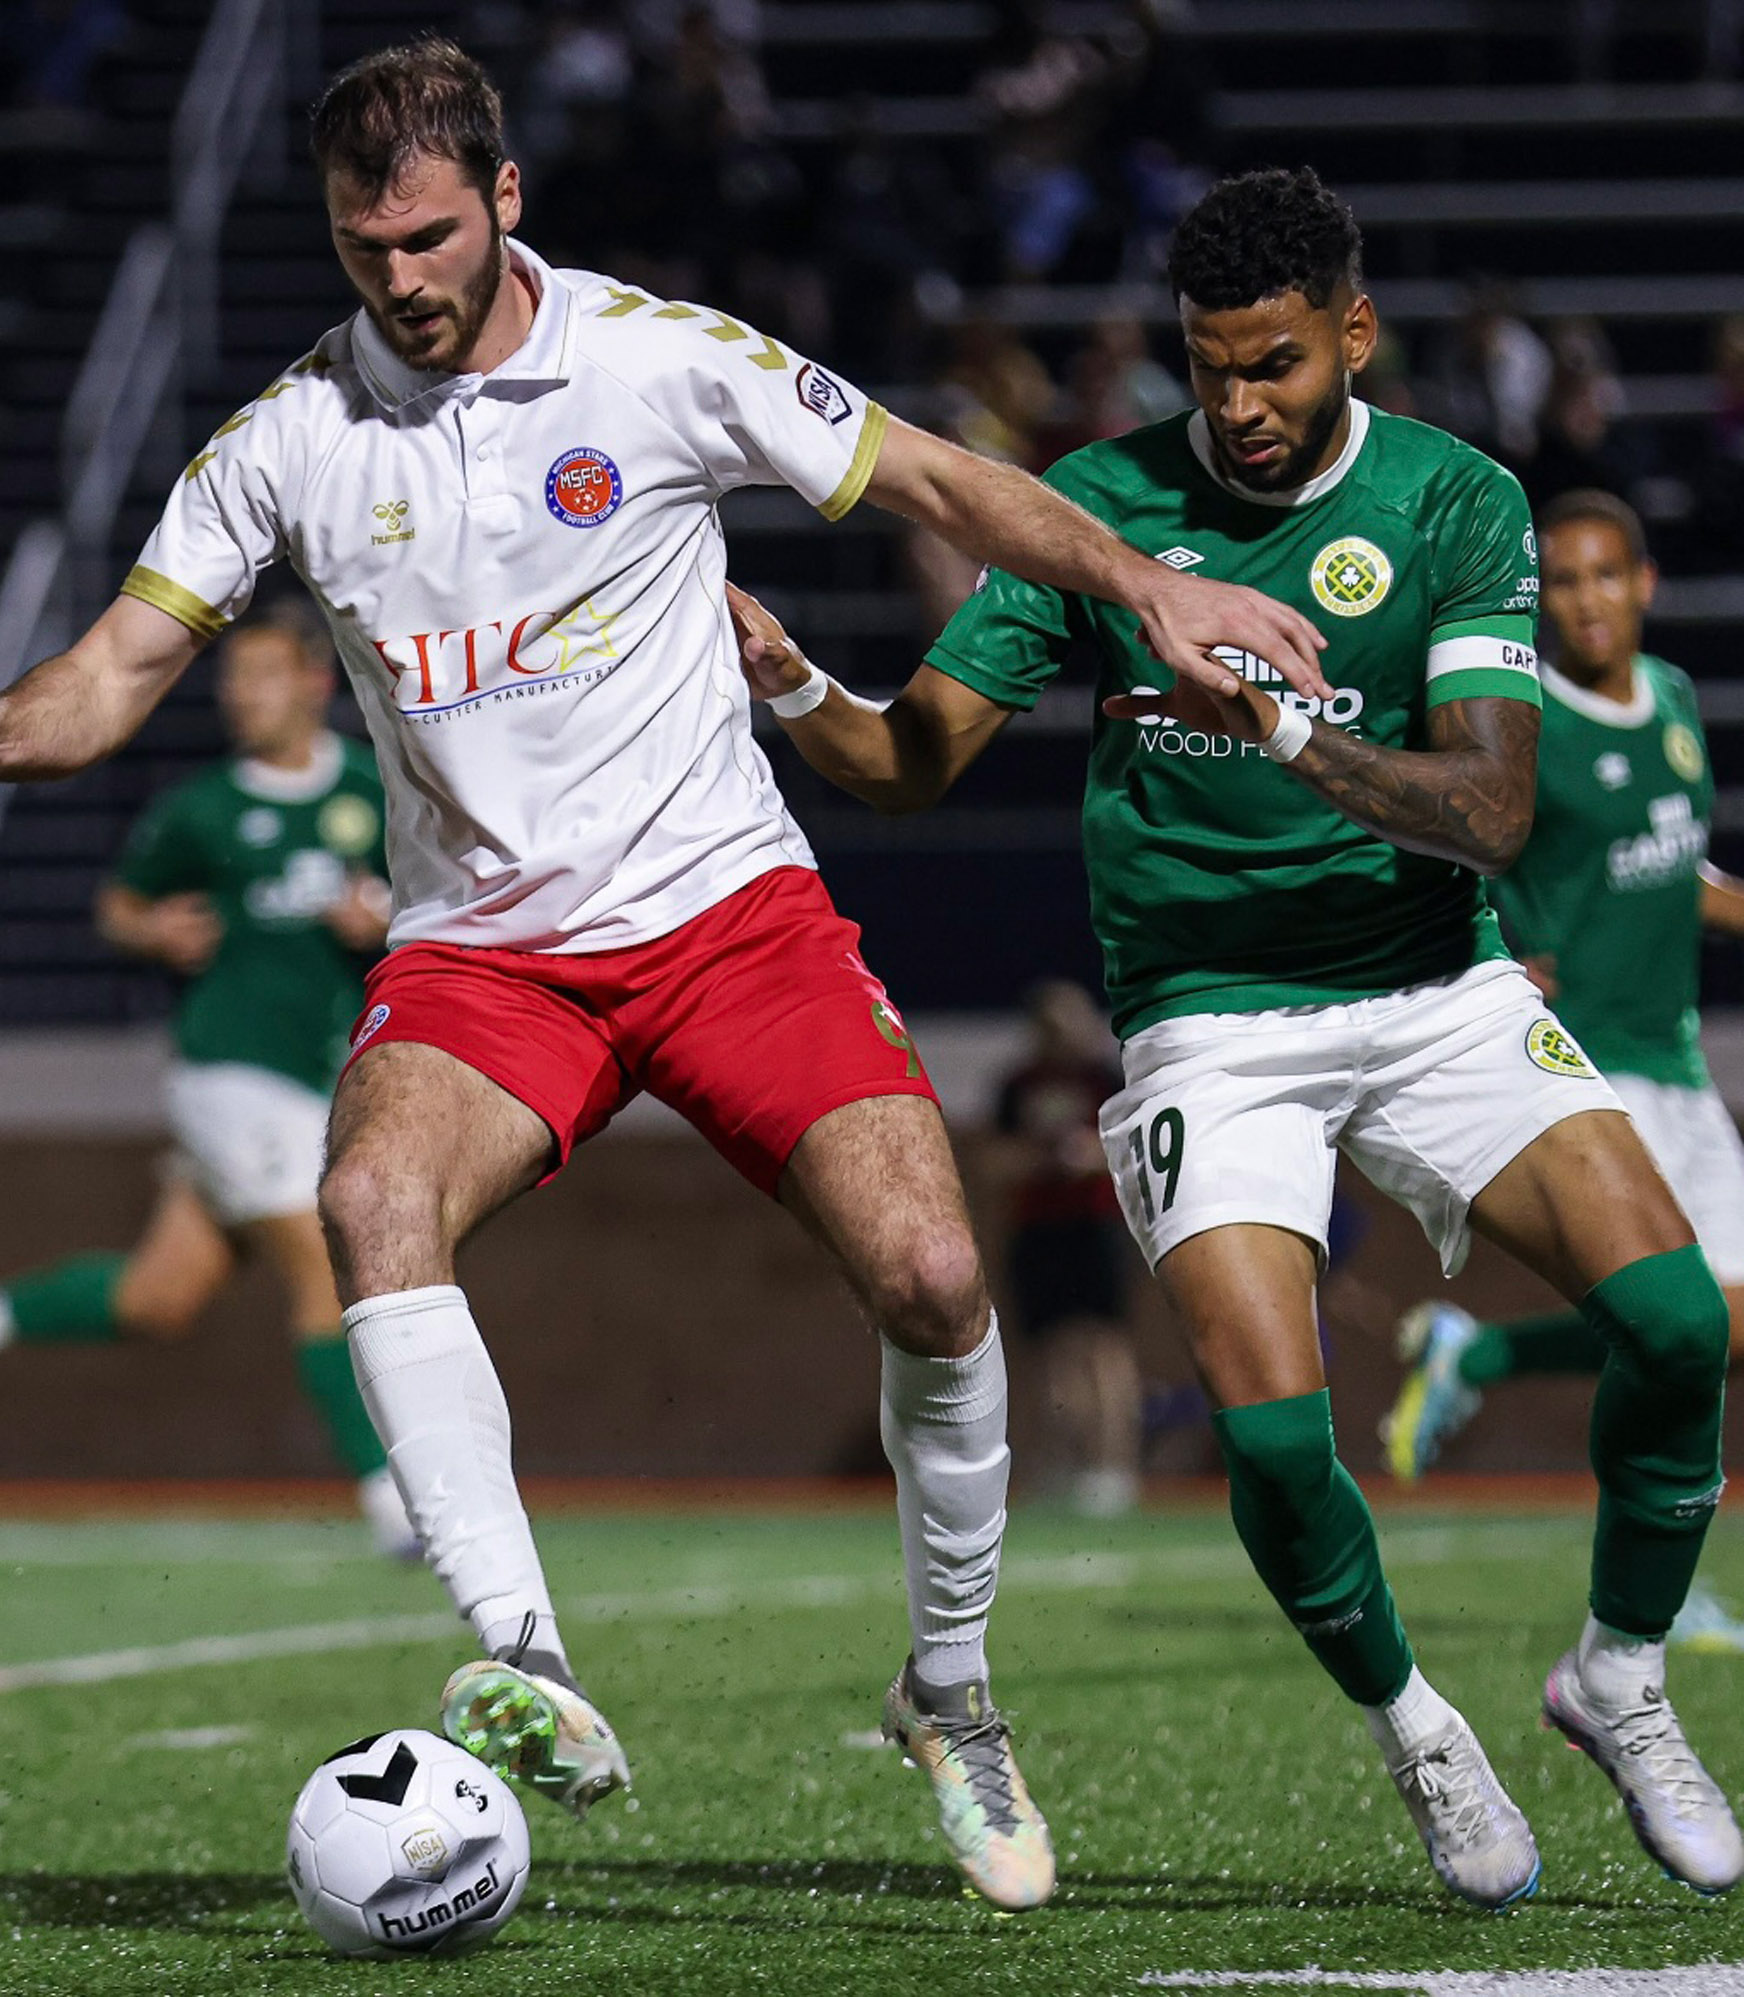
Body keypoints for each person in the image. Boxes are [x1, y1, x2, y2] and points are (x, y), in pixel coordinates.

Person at [0, 38, 1326, 1913]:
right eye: (360, 246)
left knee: (934, 1271)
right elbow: (116, 667)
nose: (398, 277)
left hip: (729, 918)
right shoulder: (289, 440)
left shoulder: (658, 361)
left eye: (425, 236)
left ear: (504, 198)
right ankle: (524, 1653)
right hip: (487, 961)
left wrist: (1153, 587)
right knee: (369, 1199)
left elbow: (942, 483)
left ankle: (952, 1694)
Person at [724, 166, 1742, 1904]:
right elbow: (909, 764)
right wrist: (800, 685)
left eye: (1276, 363)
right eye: (1211, 367)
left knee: (1678, 1324)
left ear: (1354, 335)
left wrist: (1281, 727)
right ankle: (1419, 1728)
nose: (1242, 403)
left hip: (1433, 988)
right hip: (1211, 1024)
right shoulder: (1102, 508)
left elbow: (1492, 813)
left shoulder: (1455, 500)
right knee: (1273, 1439)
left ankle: (1620, 1678)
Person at [0, 614, 419, 1555]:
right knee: (328, 1264)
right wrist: (152, 930)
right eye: (233, 677)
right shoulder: (203, 809)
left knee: (160, 1298)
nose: (241, 693)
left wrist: (382, 916)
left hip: (323, 1074)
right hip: (229, 1069)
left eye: (262, 674)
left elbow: (431, 896)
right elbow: (118, 903)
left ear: (315, 682)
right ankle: (391, 1498)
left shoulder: (369, 789)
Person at [1384, 488, 1744, 1647]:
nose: (1585, 601)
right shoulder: (1524, 722)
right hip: (1589, 1058)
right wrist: (1483, 948)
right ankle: (1649, 1592)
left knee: (1722, 1329)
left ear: (1642, 584)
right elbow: (1435, 835)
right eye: (1565, 581)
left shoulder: (1672, 700)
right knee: (1670, 1326)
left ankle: (1478, 1350)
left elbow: (1669, 865)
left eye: (1605, 576)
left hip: (1676, 1057)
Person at [987, 980, 1140, 1513]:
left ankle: (1112, 1467)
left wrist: (1087, 1156)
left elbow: (1131, 1150)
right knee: (1049, 1351)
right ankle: (1062, 1464)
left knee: (1102, 1348)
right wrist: (1042, 1160)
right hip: (1038, 1233)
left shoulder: (1105, 1080)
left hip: (1094, 1227)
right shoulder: (1018, 1086)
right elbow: (994, 1160)